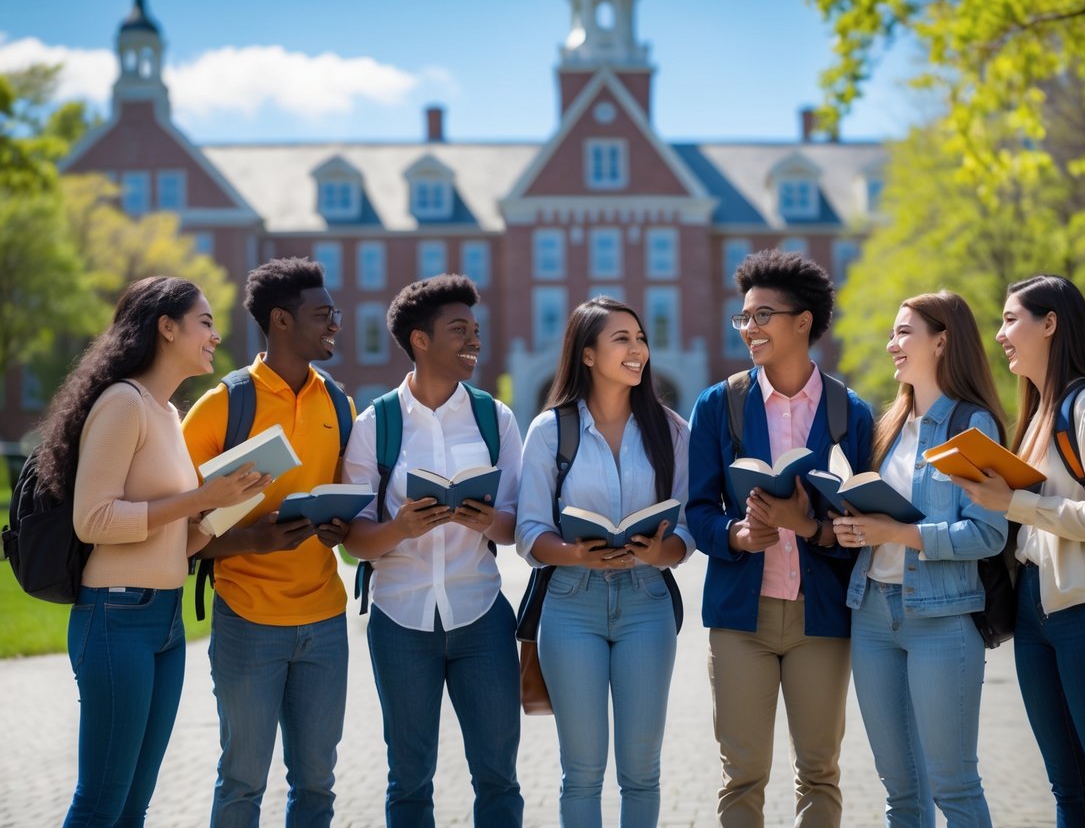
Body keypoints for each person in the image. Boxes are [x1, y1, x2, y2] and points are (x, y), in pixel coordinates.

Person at [38, 277, 268, 826]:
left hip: (164, 623)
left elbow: (177, 541)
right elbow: (93, 520)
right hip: (116, 617)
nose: (216, 335)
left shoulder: (167, 414)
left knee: (133, 806)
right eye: (205, 322)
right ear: (166, 327)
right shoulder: (124, 404)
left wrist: (220, 511)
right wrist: (200, 496)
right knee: (100, 802)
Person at [954, 275, 1085, 826]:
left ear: (1050, 324)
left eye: (1010, 319)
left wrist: (1016, 503)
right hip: (1035, 611)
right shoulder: (1039, 412)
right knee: (1069, 790)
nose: (1000, 334)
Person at [687, 248, 873, 828]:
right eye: (744, 317)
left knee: (820, 772)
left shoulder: (852, 414)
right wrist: (738, 535)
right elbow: (697, 510)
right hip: (742, 618)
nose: (750, 329)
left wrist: (808, 526)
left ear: (803, 322)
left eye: (763, 315)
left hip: (822, 618)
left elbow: (867, 527)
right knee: (742, 774)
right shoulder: (720, 405)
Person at [341, 274, 524, 827]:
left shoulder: (497, 419)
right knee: (410, 780)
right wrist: (399, 528)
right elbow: (352, 541)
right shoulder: (376, 425)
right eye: (459, 330)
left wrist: (490, 520)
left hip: (481, 617)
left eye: (475, 329)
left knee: (498, 777)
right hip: (400, 620)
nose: (474, 340)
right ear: (420, 341)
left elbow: (518, 525)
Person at [181, 258, 354, 827]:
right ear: (282, 320)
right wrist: (252, 539)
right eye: (323, 315)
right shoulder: (223, 407)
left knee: (317, 787)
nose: (335, 324)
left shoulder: (340, 406)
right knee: (242, 783)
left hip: (325, 623)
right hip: (248, 622)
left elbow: (351, 507)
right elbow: (173, 534)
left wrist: (338, 526)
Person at [515, 296, 693, 828]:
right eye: (622, 339)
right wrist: (573, 553)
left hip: (647, 603)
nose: (637, 349)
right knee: (582, 772)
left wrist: (665, 551)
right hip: (571, 605)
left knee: (641, 770)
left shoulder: (672, 430)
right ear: (587, 354)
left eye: (640, 338)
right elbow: (528, 531)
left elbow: (686, 527)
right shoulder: (549, 431)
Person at [831, 292, 1007, 826]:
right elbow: (882, 521)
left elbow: (988, 534)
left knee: (953, 785)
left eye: (904, 332)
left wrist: (897, 532)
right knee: (900, 792)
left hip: (943, 621)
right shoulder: (888, 427)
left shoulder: (972, 427)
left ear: (942, 339)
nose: (892, 345)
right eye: (892, 333)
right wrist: (858, 530)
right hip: (872, 616)